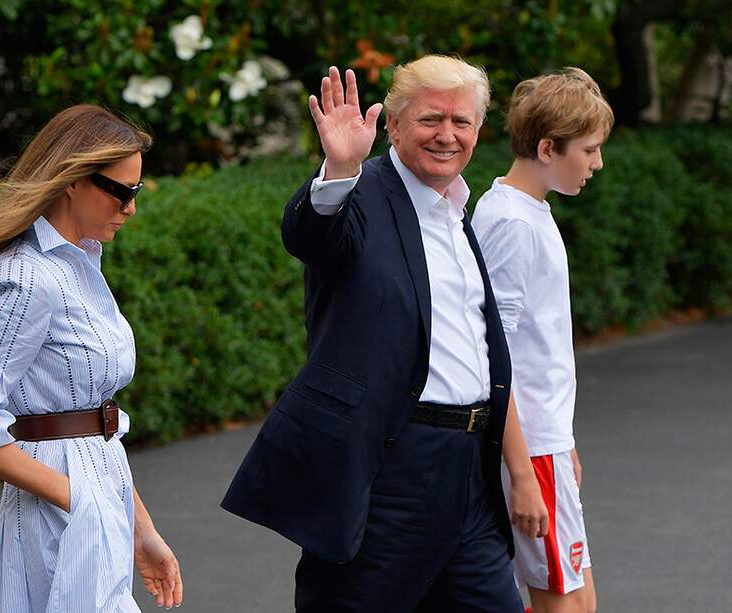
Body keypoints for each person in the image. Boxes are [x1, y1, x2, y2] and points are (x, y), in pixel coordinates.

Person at [222, 55, 548, 612]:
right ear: (392, 127)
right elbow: (312, 235)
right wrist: (340, 169)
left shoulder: (457, 212)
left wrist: (520, 470)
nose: (447, 135)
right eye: (429, 120)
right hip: (388, 472)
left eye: (461, 121)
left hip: (469, 471)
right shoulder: (360, 197)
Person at [0, 104, 183, 612]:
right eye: (120, 191)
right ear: (71, 180)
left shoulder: (79, 266)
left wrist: (137, 527)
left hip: (99, 501)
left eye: (137, 191)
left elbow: (92, 425)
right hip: (58, 514)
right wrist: (77, 499)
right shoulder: (27, 277)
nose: (130, 208)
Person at [472, 67, 614, 613]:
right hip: (529, 449)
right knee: (568, 602)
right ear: (549, 147)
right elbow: (494, 356)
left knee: (570, 596)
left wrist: (563, 440)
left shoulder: (522, 211)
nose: (597, 163)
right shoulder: (513, 222)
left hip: (543, 443)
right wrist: (524, 469)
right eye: (590, 149)